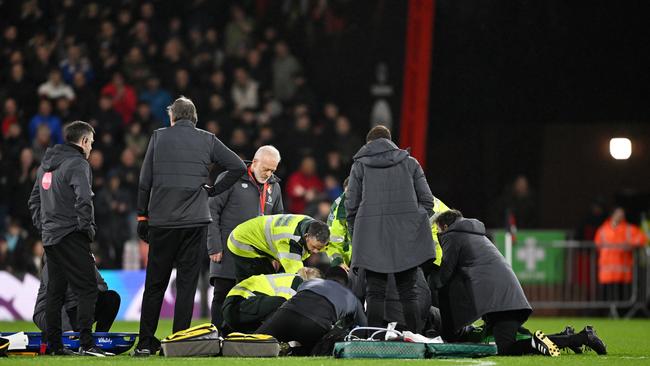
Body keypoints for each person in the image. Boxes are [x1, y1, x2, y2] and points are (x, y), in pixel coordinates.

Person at [134, 96, 246, 357]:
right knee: (186, 285)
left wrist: (142, 216)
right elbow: (238, 166)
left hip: (162, 222)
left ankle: (145, 343)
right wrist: (213, 190)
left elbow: (144, 181)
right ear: (194, 118)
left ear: (172, 117)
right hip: (196, 222)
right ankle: (178, 343)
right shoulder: (207, 139)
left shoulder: (159, 137)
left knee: (155, 284)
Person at [434, 209, 607, 356]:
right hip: (505, 299)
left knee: (506, 347)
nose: (438, 233)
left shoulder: (453, 236)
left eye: (438, 229)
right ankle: (566, 337)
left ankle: (579, 337)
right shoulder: (473, 235)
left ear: (446, 226)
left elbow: (445, 274)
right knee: (511, 341)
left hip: (502, 302)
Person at [27, 121, 110, 356]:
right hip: (72, 235)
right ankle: (87, 344)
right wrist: (87, 230)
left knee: (55, 292)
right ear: (83, 141)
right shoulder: (78, 164)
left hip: (51, 239)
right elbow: (84, 199)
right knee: (87, 289)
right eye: (91, 143)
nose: (91, 148)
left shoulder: (44, 166)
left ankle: (54, 346)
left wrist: (45, 227)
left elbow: (33, 201)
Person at [345, 125, 435, 334]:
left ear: (369, 144)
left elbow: (351, 206)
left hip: (372, 237)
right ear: (390, 141)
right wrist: (412, 223)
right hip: (406, 238)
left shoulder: (360, 166)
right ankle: (416, 338)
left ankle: (373, 340)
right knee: (409, 292)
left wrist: (357, 232)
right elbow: (428, 202)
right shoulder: (411, 163)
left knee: (375, 293)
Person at [207, 145, 284, 328]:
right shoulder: (230, 178)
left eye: (273, 170)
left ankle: (243, 339)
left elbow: (278, 223)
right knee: (222, 294)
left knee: (251, 298)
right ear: (255, 162)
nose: (269, 174)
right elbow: (211, 211)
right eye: (266, 169)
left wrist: (276, 254)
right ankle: (217, 336)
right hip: (227, 251)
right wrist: (214, 245)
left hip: (258, 257)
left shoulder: (275, 187)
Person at [256, 267, 367, 355]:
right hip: (315, 324)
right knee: (313, 353)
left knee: (253, 343)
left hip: (285, 314)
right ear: (346, 283)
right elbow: (363, 327)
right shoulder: (352, 298)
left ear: (326, 278)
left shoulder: (310, 283)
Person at [227, 214, 329, 282]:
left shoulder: (312, 225)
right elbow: (297, 278)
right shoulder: (289, 242)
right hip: (242, 241)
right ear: (306, 236)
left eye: (320, 248)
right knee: (262, 283)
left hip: (255, 233)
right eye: (314, 247)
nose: (316, 251)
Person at [33, 258, 120, 334]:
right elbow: (56, 298)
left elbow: (102, 286)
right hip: (48, 313)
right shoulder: (52, 264)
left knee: (112, 298)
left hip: (74, 307)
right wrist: (67, 328)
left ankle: (100, 338)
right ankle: (69, 331)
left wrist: (87, 289)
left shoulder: (84, 259)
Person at [222, 267, 321, 333]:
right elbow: (286, 311)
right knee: (285, 306)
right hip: (240, 306)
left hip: (234, 308)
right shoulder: (297, 281)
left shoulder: (287, 278)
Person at [594, 207, 648, 300]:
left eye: (622, 214)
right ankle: (608, 312)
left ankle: (620, 312)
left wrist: (631, 244)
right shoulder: (603, 230)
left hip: (623, 271)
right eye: (618, 214)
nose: (620, 216)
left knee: (622, 296)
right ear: (612, 215)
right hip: (607, 271)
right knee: (606, 295)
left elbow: (642, 238)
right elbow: (597, 244)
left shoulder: (629, 229)